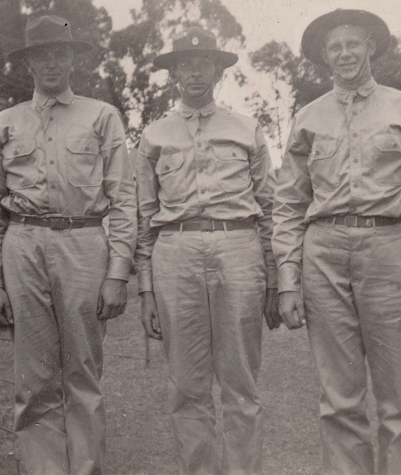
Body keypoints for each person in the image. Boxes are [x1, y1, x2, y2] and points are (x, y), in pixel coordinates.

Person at [272, 9, 401, 475]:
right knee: (339, 398)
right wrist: (288, 280)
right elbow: (289, 205)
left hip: (389, 250)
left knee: (398, 396)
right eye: (335, 47)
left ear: (371, 47)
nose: (345, 53)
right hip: (324, 254)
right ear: (324, 58)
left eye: (353, 44)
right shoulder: (307, 118)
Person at [0, 15, 136, 475]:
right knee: (34, 382)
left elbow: (123, 199)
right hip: (22, 244)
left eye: (59, 52)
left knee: (83, 375)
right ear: (27, 63)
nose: (50, 62)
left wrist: (117, 273)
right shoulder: (5, 123)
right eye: (39, 54)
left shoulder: (101, 115)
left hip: (84, 244)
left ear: (72, 58)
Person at [135, 26, 279, 475]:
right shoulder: (154, 136)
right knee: (186, 386)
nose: (194, 72)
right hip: (174, 252)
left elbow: (270, 207)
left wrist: (274, 277)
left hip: (238, 247)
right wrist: (145, 291)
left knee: (241, 382)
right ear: (173, 72)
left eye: (203, 64)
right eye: (184, 64)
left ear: (216, 70)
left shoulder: (246, 128)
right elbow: (144, 217)